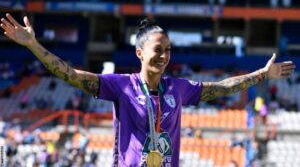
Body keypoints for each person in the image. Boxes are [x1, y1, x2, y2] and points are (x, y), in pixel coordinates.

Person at [0, 13, 295, 167]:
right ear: (140, 53)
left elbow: (221, 87)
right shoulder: (121, 86)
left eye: (168, 50)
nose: (164, 55)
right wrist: (33, 45)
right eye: (158, 49)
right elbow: (70, 74)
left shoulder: (178, 89)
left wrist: (260, 75)